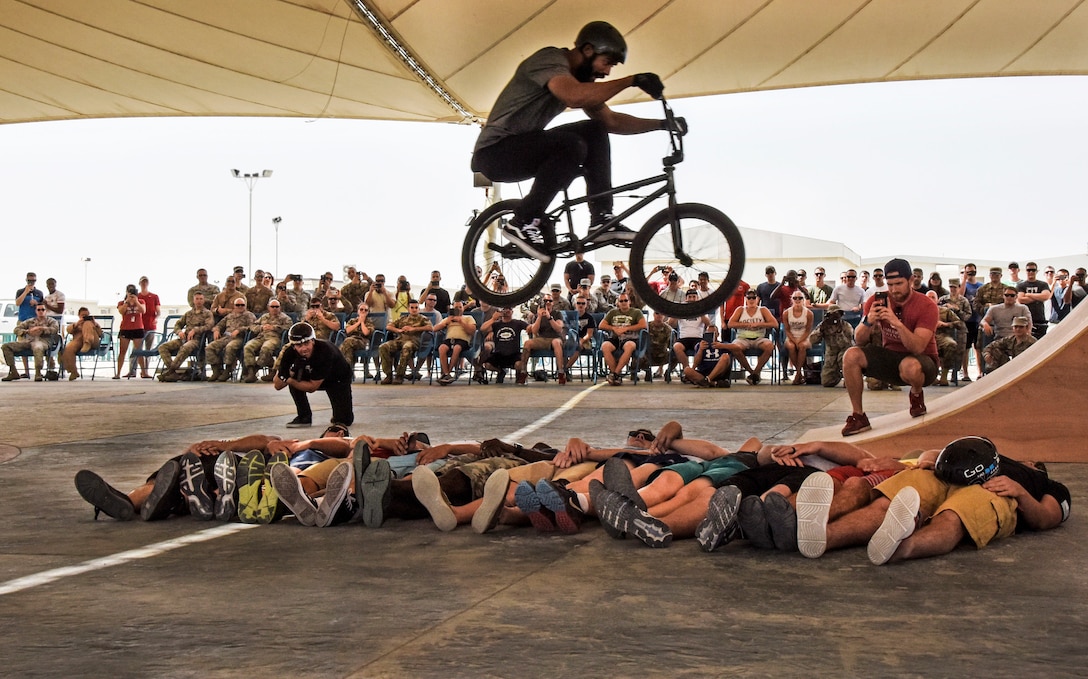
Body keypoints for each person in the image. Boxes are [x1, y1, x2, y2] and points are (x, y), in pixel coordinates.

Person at [470, 21, 680, 262]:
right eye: (607, 63)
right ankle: (522, 220)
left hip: (522, 147)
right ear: (588, 50)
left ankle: (602, 217)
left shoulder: (578, 82)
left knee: (595, 129)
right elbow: (574, 96)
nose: (607, 73)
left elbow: (611, 121)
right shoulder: (550, 60)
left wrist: (663, 124)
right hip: (495, 153)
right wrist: (631, 80)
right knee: (572, 145)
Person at [795, 436, 1070, 565]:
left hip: (995, 491)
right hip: (943, 475)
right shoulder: (988, 451)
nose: (1027, 460)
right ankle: (824, 536)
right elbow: (941, 450)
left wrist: (1020, 492)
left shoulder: (1047, 485)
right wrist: (930, 459)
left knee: (954, 517)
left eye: (1032, 462)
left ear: (1036, 466)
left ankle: (901, 547)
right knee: (888, 502)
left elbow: (1046, 518)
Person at [841, 258, 938, 436]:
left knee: (910, 366)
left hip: (923, 363)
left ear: (911, 280)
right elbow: (859, 340)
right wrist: (868, 321)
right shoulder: (875, 301)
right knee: (851, 355)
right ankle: (858, 416)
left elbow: (917, 347)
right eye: (890, 284)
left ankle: (916, 395)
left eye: (899, 284)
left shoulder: (927, 306)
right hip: (892, 357)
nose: (894, 290)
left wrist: (896, 323)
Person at [274, 322, 354, 428]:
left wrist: (288, 378)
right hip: (312, 374)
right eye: (299, 345)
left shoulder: (325, 351)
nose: (303, 349)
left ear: (313, 341)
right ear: (293, 346)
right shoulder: (289, 352)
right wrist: (291, 371)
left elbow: (312, 387)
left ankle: (342, 414)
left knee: (343, 420)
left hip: (337, 378)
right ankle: (304, 416)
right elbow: (277, 385)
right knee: (294, 380)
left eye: (307, 343)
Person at [157, 292, 215, 382]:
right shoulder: (188, 313)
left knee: (185, 347)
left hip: (196, 340)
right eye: (197, 299)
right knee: (163, 347)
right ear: (193, 300)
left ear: (204, 301)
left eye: (201, 299)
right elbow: (178, 324)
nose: (199, 301)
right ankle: (173, 373)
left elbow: (209, 326)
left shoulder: (207, 313)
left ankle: (170, 372)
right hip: (184, 338)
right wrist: (179, 331)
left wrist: (195, 330)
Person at [723, 289, 777, 385]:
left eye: (754, 297)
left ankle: (755, 372)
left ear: (757, 299)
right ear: (745, 299)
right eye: (749, 298)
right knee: (735, 347)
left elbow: (774, 324)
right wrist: (745, 325)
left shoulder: (763, 310)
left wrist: (760, 324)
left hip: (759, 338)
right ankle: (752, 373)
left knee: (770, 346)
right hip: (742, 338)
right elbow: (730, 324)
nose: (751, 300)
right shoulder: (740, 310)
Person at [378, 299, 433, 384]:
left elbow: (430, 328)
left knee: (406, 347)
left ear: (418, 309)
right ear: (408, 309)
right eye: (412, 307)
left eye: (416, 308)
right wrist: (398, 330)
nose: (414, 309)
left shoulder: (422, 319)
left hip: (413, 341)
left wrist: (414, 329)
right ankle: (388, 375)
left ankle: (399, 375)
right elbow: (388, 326)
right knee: (383, 347)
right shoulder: (402, 318)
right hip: (400, 340)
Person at [2, 303, 59, 381]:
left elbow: (55, 329)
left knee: (38, 347)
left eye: (43, 309)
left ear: (46, 311)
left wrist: (42, 329)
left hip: (43, 341)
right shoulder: (30, 321)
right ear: (36, 311)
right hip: (28, 341)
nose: (41, 311)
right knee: (6, 346)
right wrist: (27, 331)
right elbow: (16, 329)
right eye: (39, 310)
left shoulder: (51, 321)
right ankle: (13, 371)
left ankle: (38, 373)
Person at [599, 293, 647, 386]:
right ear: (618, 303)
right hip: (615, 338)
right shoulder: (612, 312)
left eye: (626, 300)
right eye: (621, 301)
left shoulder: (636, 312)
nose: (624, 303)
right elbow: (601, 325)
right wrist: (614, 328)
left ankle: (615, 374)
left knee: (630, 346)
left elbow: (643, 325)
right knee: (605, 346)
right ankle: (615, 375)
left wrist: (627, 328)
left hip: (630, 338)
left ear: (629, 302)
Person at [242, 298, 293, 382]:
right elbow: (253, 326)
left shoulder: (285, 318)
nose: (275, 308)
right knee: (248, 346)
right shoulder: (264, 317)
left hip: (274, 338)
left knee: (266, 348)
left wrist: (274, 327)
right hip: (261, 337)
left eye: (277, 306)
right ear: (268, 307)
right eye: (272, 306)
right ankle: (251, 370)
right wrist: (261, 327)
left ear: (280, 308)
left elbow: (288, 328)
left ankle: (256, 370)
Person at [518, 297, 566, 385]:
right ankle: (523, 372)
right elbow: (534, 331)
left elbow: (559, 329)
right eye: (545, 301)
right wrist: (539, 317)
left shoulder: (557, 314)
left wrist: (549, 317)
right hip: (542, 339)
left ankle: (561, 372)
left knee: (556, 343)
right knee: (527, 343)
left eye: (550, 301)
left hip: (555, 338)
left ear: (552, 303)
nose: (547, 302)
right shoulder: (537, 315)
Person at [807, 304, 854, 387]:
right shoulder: (823, 325)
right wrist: (820, 331)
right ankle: (837, 375)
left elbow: (848, 343)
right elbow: (812, 341)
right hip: (831, 352)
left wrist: (839, 332)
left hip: (845, 350)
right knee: (827, 382)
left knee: (842, 358)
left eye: (837, 314)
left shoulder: (846, 326)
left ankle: (849, 377)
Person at [434, 301, 477, 385]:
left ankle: (447, 374)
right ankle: (447, 374)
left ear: (463, 308)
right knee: (441, 348)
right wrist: (446, 322)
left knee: (457, 348)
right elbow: (434, 329)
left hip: (463, 340)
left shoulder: (468, 318)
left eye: (460, 307)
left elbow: (472, 331)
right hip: (450, 339)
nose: (458, 309)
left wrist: (461, 322)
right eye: (456, 307)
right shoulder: (448, 319)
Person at [60, 307, 102, 380]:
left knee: (87, 323)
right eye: (83, 315)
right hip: (79, 342)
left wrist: (95, 325)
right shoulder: (76, 324)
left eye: (87, 315)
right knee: (68, 348)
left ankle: (87, 342)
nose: (85, 317)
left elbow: (101, 334)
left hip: (93, 341)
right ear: (79, 316)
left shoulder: (93, 324)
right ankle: (73, 371)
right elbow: (68, 330)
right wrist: (77, 324)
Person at [782, 290, 814, 385]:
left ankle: (798, 375)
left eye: (800, 298)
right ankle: (799, 373)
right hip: (791, 336)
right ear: (792, 299)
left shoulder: (809, 313)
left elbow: (808, 330)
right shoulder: (786, 313)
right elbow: (787, 329)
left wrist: (800, 340)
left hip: (804, 336)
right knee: (791, 347)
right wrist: (794, 340)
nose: (797, 300)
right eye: (795, 298)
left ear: (803, 300)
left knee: (802, 346)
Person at [114, 286, 146, 380]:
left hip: (138, 328)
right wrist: (127, 302)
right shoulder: (122, 302)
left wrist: (136, 302)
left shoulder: (141, 301)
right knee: (122, 352)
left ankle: (144, 372)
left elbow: (143, 310)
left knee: (139, 351)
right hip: (126, 328)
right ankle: (118, 373)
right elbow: (121, 311)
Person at [132, 275, 161, 378]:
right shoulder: (136, 297)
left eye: (146, 282)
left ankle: (145, 371)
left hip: (150, 327)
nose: (144, 284)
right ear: (139, 284)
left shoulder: (154, 297)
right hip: (138, 326)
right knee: (136, 349)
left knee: (148, 350)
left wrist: (156, 318)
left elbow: (158, 311)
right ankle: (132, 370)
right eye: (142, 282)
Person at [1016, 261, 1052, 339]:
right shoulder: (1021, 285)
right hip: (1025, 320)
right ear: (1026, 271)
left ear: (1036, 271)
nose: (1031, 272)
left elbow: (1046, 296)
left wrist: (1029, 295)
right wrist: (1038, 297)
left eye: (1033, 270)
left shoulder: (1043, 284)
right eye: (1029, 270)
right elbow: (1021, 299)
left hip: (1040, 320)